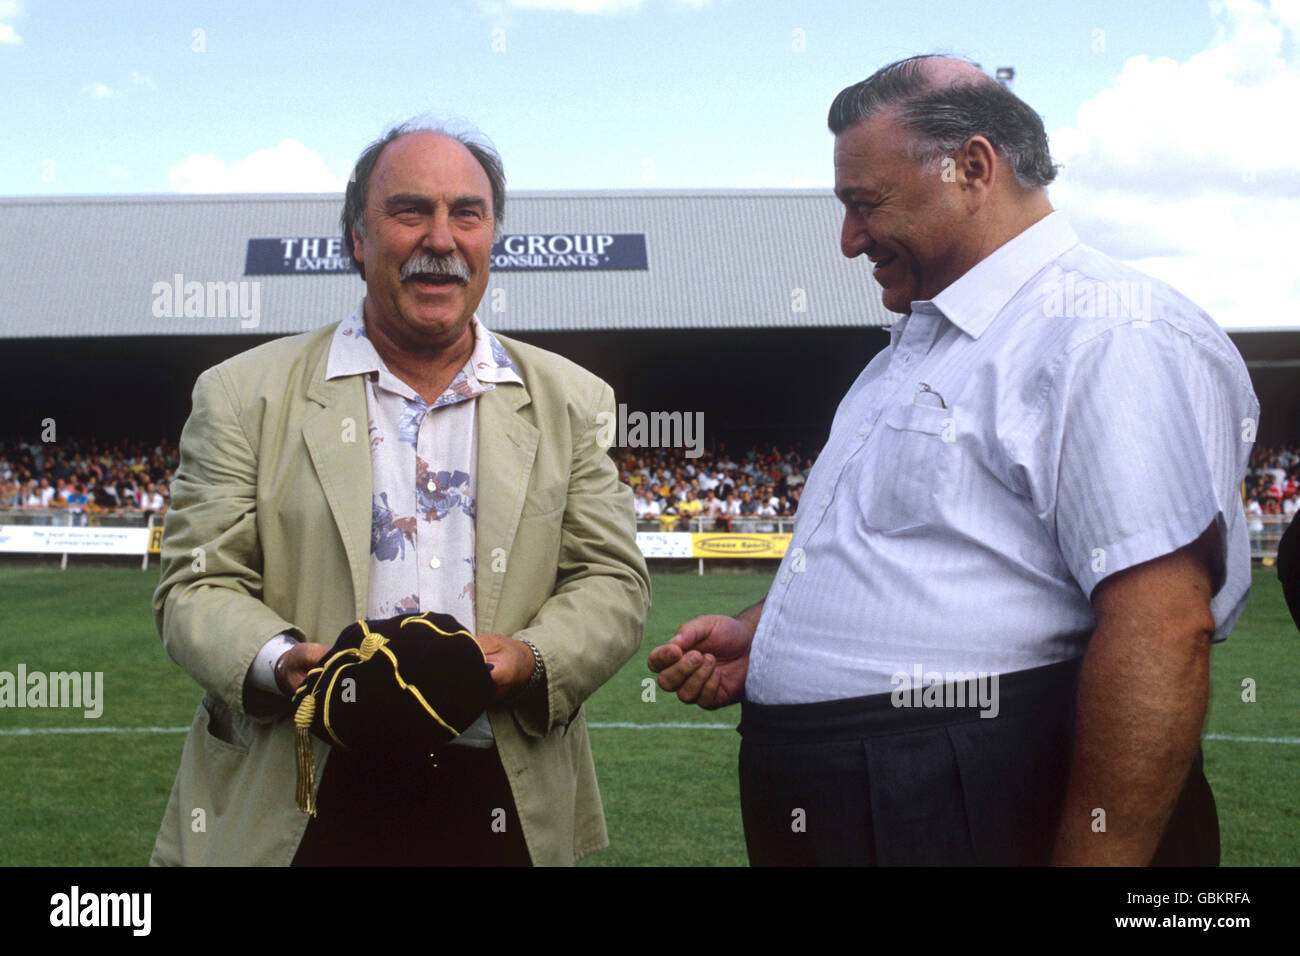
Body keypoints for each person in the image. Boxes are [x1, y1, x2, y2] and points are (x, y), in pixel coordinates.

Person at [650, 55, 1257, 866]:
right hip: (869, 799)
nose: (848, 240)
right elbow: (923, 558)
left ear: (972, 168)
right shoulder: (911, 351)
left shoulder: (1110, 333)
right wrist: (766, 636)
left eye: (865, 205)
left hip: (966, 800)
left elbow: (1162, 626)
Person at [152, 118, 650, 866]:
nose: (441, 238)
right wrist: (287, 663)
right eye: (410, 210)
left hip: (501, 790)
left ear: (491, 241)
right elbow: (195, 585)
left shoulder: (571, 399)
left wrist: (528, 658)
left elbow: (611, 580)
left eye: (467, 214)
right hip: (303, 787)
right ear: (358, 237)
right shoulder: (241, 393)